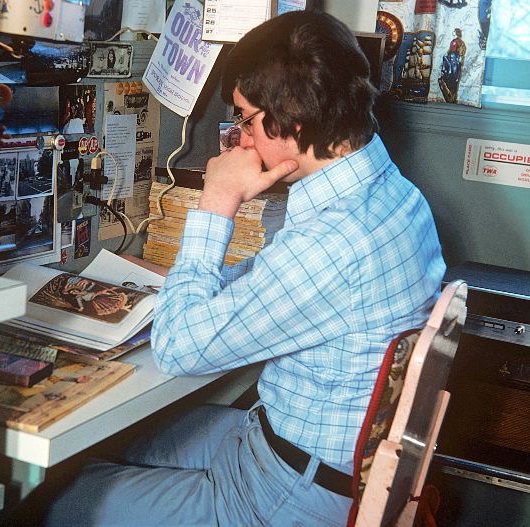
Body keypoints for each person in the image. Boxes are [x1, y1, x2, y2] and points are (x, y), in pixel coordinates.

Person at [43, 10, 445, 526]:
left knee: (65, 500)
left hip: (286, 491)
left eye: (246, 119)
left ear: (293, 122)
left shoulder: (331, 244)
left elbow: (178, 349)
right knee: (122, 443)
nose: (241, 138)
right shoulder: (393, 196)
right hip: (290, 449)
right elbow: (281, 280)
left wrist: (217, 201)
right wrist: (179, 281)